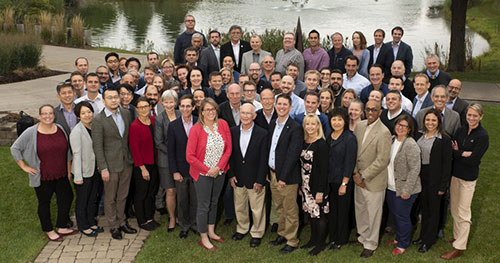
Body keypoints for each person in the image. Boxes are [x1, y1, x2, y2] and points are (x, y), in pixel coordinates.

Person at [11, 104, 76, 242]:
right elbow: (15, 148)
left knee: (67, 198)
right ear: (40, 116)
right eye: (44, 114)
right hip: (43, 176)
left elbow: (67, 152)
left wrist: (68, 171)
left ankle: (62, 226)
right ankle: (49, 229)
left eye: (50, 113)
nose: (48, 116)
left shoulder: (60, 129)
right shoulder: (31, 132)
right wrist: (24, 166)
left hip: (61, 174)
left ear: (54, 115)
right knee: (44, 203)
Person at [440, 104, 489, 260]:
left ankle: (459, 247)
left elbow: (474, 160)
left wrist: (458, 152)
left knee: (463, 212)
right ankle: (457, 237)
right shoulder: (461, 130)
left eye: (475, 116)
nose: (472, 118)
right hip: (455, 175)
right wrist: (463, 153)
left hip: (468, 178)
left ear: (481, 117)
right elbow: (452, 151)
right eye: (469, 115)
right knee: (454, 209)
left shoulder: (482, 136)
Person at [186, 98, 232, 251]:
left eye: (213, 109)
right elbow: (190, 156)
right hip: (202, 174)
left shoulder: (223, 125)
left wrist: (219, 166)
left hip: (220, 171)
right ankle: (203, 237)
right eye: (207, 110)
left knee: (214, 202)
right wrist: (208, 170)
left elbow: (228, 149)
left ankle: (211, 231)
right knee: (203, 205)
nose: (211, 112)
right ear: (202, 112)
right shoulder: (196, 129)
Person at [92, 87, 137, 240]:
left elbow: (127, 139)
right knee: (110, 197)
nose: (113, 100)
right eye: (110, 97)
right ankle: (113, 226)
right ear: (103, 101)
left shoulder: (125, 113)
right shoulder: (98, 120)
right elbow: (97, 146)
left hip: (126, 162)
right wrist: (103, 168)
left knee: (122, 196)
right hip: (110, 166)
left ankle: (122, 221)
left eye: (115, 97)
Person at [352, 100, 392, 258]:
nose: (370, 112)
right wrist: (355, 173)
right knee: (360, 210)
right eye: (367, 109)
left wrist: (363, 176)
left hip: (373, 180)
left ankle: (371, 243)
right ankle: (362, 237)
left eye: (374, 110)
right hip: (357, 178)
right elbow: (354, 151)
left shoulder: (384, 132)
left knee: (373, 213)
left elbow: (382, 160)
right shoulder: (360, 126)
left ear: (380, 112)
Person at [229, 103, 268, 248]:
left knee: (257, 208)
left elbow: (264, 158)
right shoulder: (232, 131)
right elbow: (230, 155)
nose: (245, 116)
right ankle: (242, 228)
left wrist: (260, 179)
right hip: (238, 176)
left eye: (248, 113)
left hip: (255, 178)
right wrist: (231, 174)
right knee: (240, 205)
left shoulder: (262, 133)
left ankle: (257, 233)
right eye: (243, 113)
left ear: (254, 116)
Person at [268, 94, 304, 254]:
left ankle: (292, 240)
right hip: (273, 173)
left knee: (290, 209)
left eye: (285, 104)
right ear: (275, 106)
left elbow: (293, 155)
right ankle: (282, 234)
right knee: (280, 207)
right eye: (279, 104)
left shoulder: (295, 127)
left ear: (290, 108)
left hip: (287, 177)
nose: (281, 107)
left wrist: (283, 177)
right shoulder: (273, 124)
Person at [413, 108, 452, 253]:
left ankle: (429, 240)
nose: (430, 123)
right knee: (424, 208)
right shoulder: (420, 136)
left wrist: (443, 186)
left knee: (433, 211)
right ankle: (422, 236)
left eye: (433, 120)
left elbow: (447, 164)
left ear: (439, 122)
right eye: (428, 120)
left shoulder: (444, 139)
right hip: (421, 175)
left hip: (435, 178)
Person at [385, 115, 421, 255]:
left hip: (405, 189)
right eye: (398, 124)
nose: (400, 128)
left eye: (404, 126)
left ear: (409, 129)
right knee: (395, 214)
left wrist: (407, 190)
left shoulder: (411, 144)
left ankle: (403, 244)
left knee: (402, 216)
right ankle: (399, 238)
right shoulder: (392, 140)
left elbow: (415, 169)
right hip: (390, 186)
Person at [70, 101, 103, 237]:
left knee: (92, 199)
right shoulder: (77, 132)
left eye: (89, 112)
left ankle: (91, 221)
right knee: (82, 200)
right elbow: (76, 155)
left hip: (94, 170)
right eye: (83, 113)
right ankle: (83, 226)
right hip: (82, 172)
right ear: (78, 116)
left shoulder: (94, 127)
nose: (87, 115)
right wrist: (78, 177)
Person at [167, 95, 198, 239]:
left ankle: (195, 224)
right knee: (182, 199)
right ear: (179, 107)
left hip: (197, 169)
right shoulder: (173, 126)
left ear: (193, 107)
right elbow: (170, 151)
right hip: (181, 170)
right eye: (182, 106)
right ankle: (184, 226)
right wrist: (174, 171)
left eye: (188, 106)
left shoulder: (199, 122)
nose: (185, 109)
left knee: (196, 198)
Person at [326, 107, 357, 250]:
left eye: (340, 119)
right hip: (330, 180)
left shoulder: (349, 138)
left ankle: (341, 240)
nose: (336, 122)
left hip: (342, 181)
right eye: (334, 119)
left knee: (343, 211)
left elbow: (349, 162)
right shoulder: (329, 135)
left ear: (345, 121)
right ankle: (332, 237)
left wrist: (344, 183)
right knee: (332, 211)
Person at [299, 113, 329, 256]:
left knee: (320, 215)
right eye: (307, 124)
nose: (310, 127)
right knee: (311, 213)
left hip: (317, 185)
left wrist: (321, 191)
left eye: (313, 124)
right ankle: (312, 240)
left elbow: (324, 170)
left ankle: (320, 244)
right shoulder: (304, 141)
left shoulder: (321, 144)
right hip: (305, 184)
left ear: (318, 126)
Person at [129, 97, 160, 231]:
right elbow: (134, 149)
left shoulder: (153, 121)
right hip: (143, 165)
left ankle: (149, 217)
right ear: (137, 109)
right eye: (141, 107)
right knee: (142, 193)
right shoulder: (135, 126)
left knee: (151, 192)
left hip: (154, 163)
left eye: (146, 106)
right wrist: (142, 168)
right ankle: (142, 220)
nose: (143, 109)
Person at [154, 90, 181, 232]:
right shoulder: (159, 119)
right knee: (170, 190)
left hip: (182, 159)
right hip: (166, 160)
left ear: (176, 102)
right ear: (162, 103)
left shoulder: (181, 115)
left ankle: (182, 216)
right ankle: (172, 218)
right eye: (166, 102)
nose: (169, 105)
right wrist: (173, 153)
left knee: (181, 190)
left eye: (172, 101)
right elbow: (159, 142)